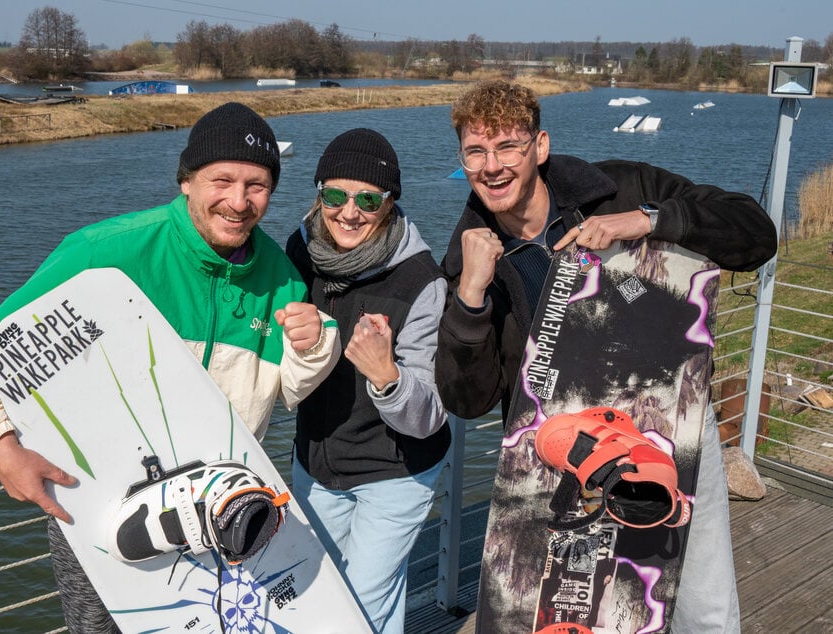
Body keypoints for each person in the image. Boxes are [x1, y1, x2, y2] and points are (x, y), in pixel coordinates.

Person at [0, 102, 341, 633]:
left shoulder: (280, 275)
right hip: (97, 503)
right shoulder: (105, 252)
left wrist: (317, 343)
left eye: (258, 185)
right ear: (186, 182)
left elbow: (294, 387)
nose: (238, 201)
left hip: (217, 507)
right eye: (221, 180)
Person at [435, 80, 777, 633]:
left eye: (508, 147)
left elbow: (756, 232)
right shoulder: (468, 261)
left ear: (540, 147)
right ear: (462, 159)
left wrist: (646, 220)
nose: (491, 166)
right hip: (567, 458)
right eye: (476, 151)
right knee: (584, 610)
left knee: (702, 602)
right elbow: (467, 398)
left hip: (671, 429)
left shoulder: (619, 187)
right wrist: (472, 296)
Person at [284, 128, 451, 634]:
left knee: (360, 609)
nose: (348, 212)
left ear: (389, 202)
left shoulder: (421, 281)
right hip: (315, 464)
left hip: (395, 473)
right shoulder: (298, 251)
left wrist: (387, 376)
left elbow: (428, 417)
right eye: (334, 195)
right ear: (318, 195)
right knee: (313, 593)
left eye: (367, 199)